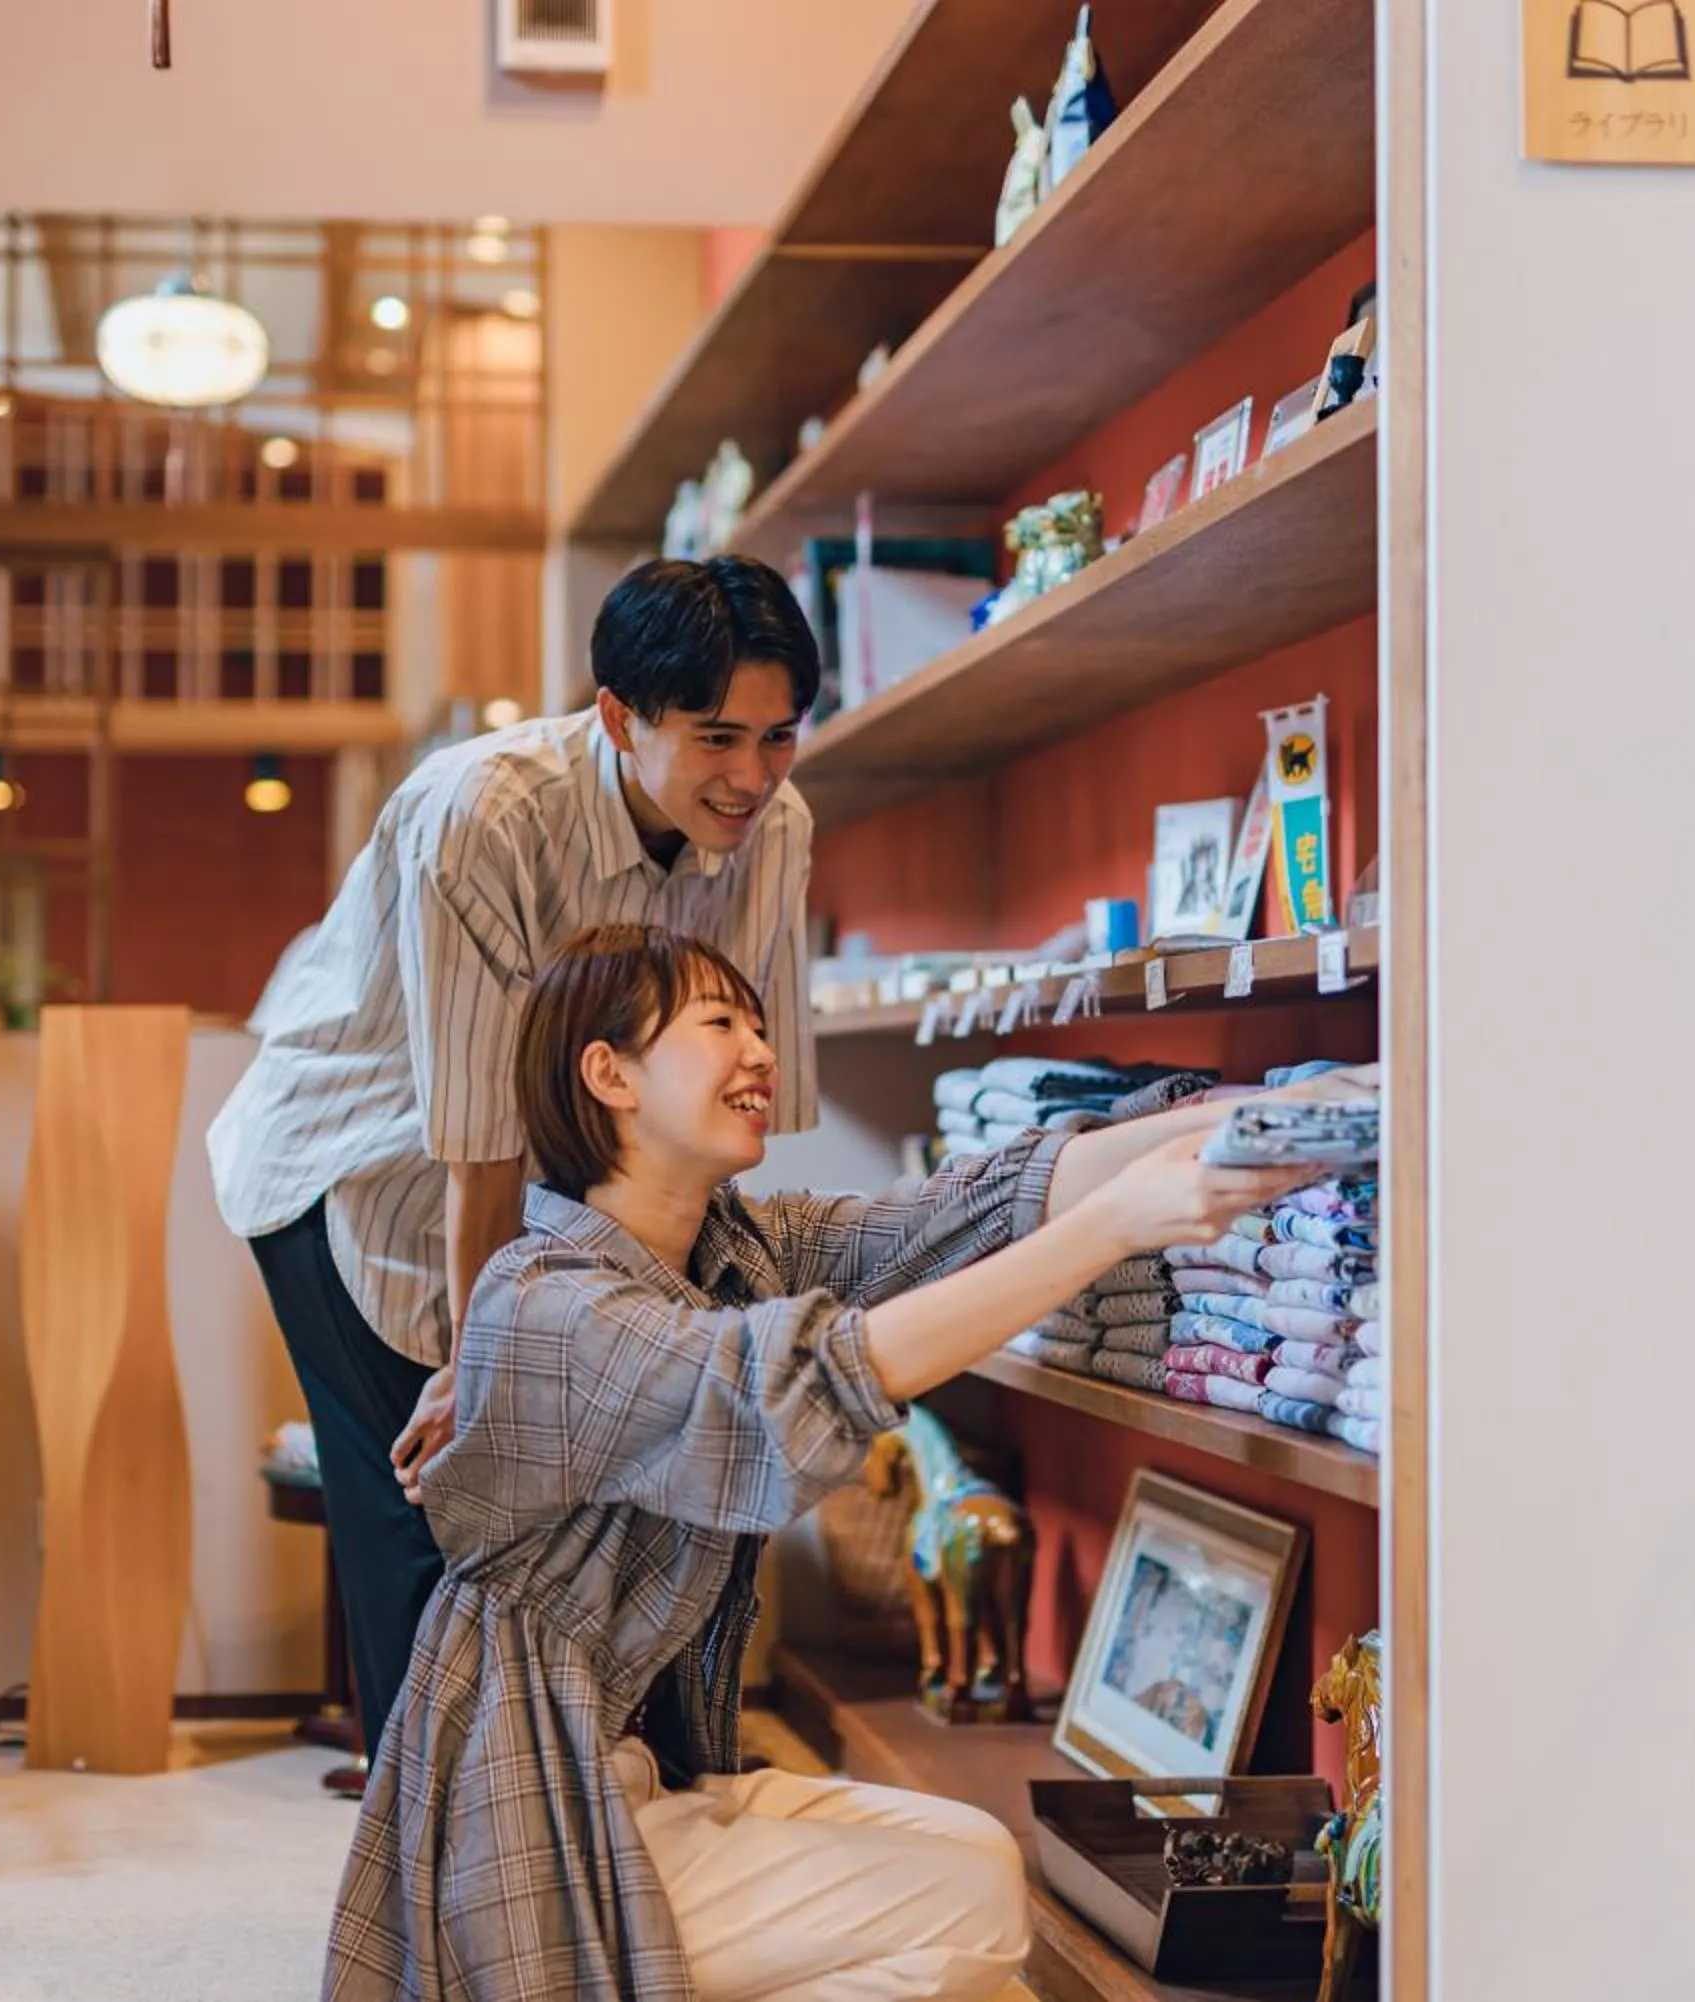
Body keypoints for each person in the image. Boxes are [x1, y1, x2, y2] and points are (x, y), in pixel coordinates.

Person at [325, 924, 1343, 2001]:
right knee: (970, 1912)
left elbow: (967, 1207)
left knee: (980, 1875)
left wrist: (1293, 1114)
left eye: (760, 1022)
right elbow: (793, 1386)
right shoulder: (546, 1304)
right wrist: (1112, 1230)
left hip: (645, 1784)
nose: (761, 1050)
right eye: (720, 1023)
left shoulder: (734, 1249)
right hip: (535, 1814)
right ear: (607, 1071)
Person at [206, 557, 825, 1756]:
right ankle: (430, 1876)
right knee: (431, 1516)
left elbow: (729, 1087)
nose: (750, 776)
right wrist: (473, 1362)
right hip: (358, 1173)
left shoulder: (775, 825)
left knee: (614, 1497)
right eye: (716, 738)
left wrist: (705, 1320)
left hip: (534, 1190)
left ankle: (605, 1826)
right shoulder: (481, 811)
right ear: (618, 716)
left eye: (778, 736)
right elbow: (477, 1146)